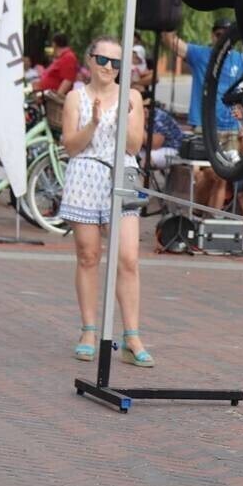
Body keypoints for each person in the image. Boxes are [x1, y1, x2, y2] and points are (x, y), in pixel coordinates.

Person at [58, 36, 152, 368]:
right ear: (90, 60)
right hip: (85, 173)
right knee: (88, 256)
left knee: (128, 257)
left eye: (116, 63)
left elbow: (133, 146)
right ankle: (88, 331)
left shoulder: (132, 97)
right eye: (102, 60)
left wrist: (122, 117)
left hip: (121, 174)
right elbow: (71, 146)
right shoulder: (75, 97)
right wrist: (94, 123)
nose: (109, 67)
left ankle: (132, 336)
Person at [163, 22, 243, 209]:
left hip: (231, 129)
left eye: (227, 35)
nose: (223, 38)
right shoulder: (200, 54)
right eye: (219, 34)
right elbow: (170, 40)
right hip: (203, 126)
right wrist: (168, 15)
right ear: (212, 36)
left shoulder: (240, 59)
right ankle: (199, 213)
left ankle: (211, 221)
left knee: (222, 177)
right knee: (204, 173)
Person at [145, 101, 184, 170]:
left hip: (173, 149)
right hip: (154, 148)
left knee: (146, 159)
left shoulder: (157, 117)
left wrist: (139, 128)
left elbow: (155, 144)